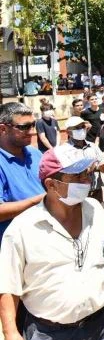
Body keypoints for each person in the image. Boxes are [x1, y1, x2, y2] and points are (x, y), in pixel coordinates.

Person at [0, 145, 104, 340]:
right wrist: (10, 332)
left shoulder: (94, 209)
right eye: (77, 176)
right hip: (51, 333)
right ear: (51, 184)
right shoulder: (22, 229)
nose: (87, 181)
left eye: (87, 173)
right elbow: (8, 285)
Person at [0, 103, 44, 244]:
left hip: (43, 238)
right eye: (24, 127)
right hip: (14, 245)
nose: (31, 131)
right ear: (3, 129)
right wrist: (39, 200)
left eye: (33, 125)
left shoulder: (35, 153)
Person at [64, 116, 104, 206]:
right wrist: (93, 166)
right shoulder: (65, 150)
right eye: (77, 128)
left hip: (96, 191)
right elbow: (71, 173)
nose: (81, 129)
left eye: (83, 126)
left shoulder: (92, 146)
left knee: (99, 213)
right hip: (77, 194)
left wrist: (103, 165)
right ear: (68, 131)